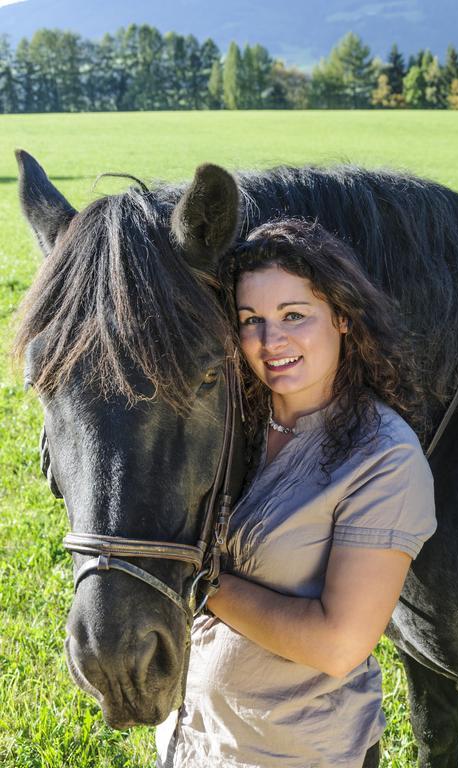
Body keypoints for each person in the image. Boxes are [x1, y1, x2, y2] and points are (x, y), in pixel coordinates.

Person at [156, 218, 437, 768]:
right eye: (251, 320)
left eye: (293, 316)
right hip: (191, 739)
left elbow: (338, 644)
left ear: (342, 316)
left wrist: (201, 581)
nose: (270, 340)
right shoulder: (233, 424)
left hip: (294, 752)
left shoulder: (382, 456)